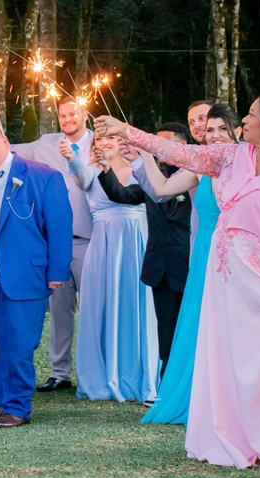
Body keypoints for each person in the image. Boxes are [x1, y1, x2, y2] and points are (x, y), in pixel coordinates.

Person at [96, 88, 260, 468]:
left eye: (252, 114)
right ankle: (229, 435)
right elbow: (179, 153)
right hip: (226, 279)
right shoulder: (231, 156)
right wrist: (127, 131)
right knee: (226, 356)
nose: (244, 120)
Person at [0, 120, 72, 428]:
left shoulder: (43, 176)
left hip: (19, 276)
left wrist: (58, 270)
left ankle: (17, 406)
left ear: (5, 141)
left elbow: (60, 226)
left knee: (17, 346)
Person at [0, 98, 93, 393]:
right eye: (63, 115)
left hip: (91, 239)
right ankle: (60, 372)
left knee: (93, 309)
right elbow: (11, 151)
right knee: (59, 312)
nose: (67, 119)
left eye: (73, 114)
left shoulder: (99, 143)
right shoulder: (47, 142)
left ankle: (93, 373)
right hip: (55, 244)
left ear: (85, 113)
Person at [141, 103, 239, 425]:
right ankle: (201, 396)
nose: (215, 135)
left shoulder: (247, 162)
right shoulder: (202, 166)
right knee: (201, 323)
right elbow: (161, 189)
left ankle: (234, 397)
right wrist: (145, 153)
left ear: (237, 131)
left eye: (222, 128)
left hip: (237, 251)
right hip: (205, 253)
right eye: (209, 130)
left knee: (232, 325)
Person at [61, 132, 159, 404]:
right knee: (103, 305)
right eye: (99, 140)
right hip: (104, 246)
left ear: (122, 142)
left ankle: (140, 375)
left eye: (110, 139)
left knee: (137, 305)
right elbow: (81, 177)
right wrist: (71, 158)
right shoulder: (91, 172)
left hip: (138, 242)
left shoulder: (140, 170)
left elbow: (143, 195)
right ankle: (102, 378)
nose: (103, 143)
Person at [95, 123, 193, 381]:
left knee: (192, 331)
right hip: (160, 268)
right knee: (166, 334)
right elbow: (124, 195)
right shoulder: (154, 177)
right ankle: (166, 388)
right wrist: (107, 170)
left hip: (190, 265)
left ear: (182, 146)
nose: (156, 149)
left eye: (162, 144)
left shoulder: (194, 176)